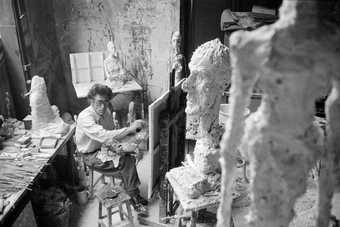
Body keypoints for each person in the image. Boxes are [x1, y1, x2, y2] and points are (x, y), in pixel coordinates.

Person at [75, 83, 147, 212]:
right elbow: (103, 135)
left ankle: (132, 191)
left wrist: (118, 146)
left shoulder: (107, 111)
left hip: (103, 147)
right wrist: (129, 129)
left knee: (130, 155)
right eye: (99, 102)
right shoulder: (85, 117)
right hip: (90, 155)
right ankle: (133, 195)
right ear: (91, 100)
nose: (102, 107)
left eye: (106, 102)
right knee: (126, 162)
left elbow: (110, 136)